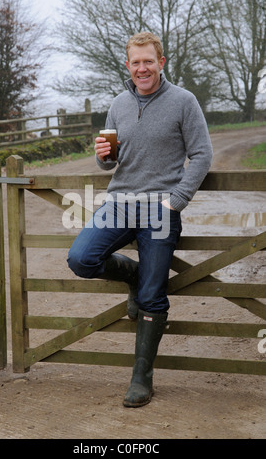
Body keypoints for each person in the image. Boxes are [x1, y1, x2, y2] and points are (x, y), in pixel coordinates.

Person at [67, 32, 213, 408]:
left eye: (149, 61)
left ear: (161, 62)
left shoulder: (184, 101)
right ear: (128, 66)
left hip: (161, 209)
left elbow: (201, 155)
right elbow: (110, 160)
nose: (142, 68)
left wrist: (176, 201)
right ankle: (131, 274)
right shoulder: (117, 103)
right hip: (119, 201)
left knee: (152, 295)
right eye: (136, 62)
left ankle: (141, 378)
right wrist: (102, 156)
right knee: (81, 258)